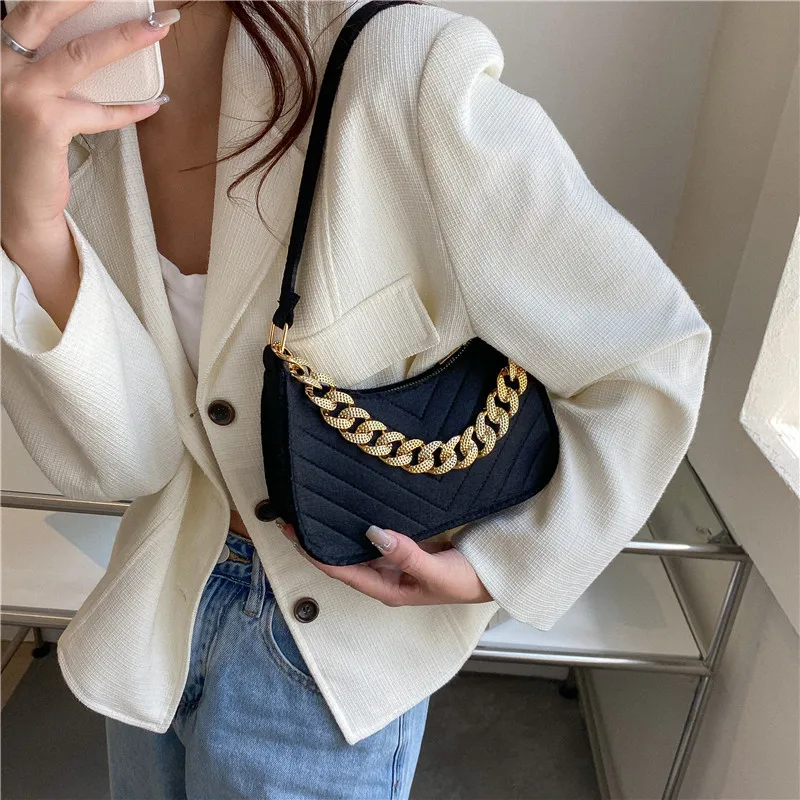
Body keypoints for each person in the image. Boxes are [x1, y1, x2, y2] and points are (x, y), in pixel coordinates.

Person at [0, 0, 712, 797]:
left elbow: (648, 349)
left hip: (329, 645)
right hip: (157, 616)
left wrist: (505, 566)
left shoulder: (402, 70)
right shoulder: (48, 116)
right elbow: (128, 460)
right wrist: (29, 228)